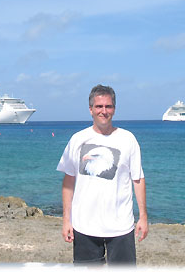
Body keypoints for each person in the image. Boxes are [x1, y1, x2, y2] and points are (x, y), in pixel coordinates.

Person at [56, 84, 148, 266]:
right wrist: (66, 219)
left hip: (121, 226)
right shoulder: (77, 139)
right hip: (84, 226)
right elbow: (68, 181)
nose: (104, 111)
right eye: (99, 106)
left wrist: (143, 216)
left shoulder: (128, 139)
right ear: (91, 109)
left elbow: (137, 179)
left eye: (108, 106)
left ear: (114, 109)